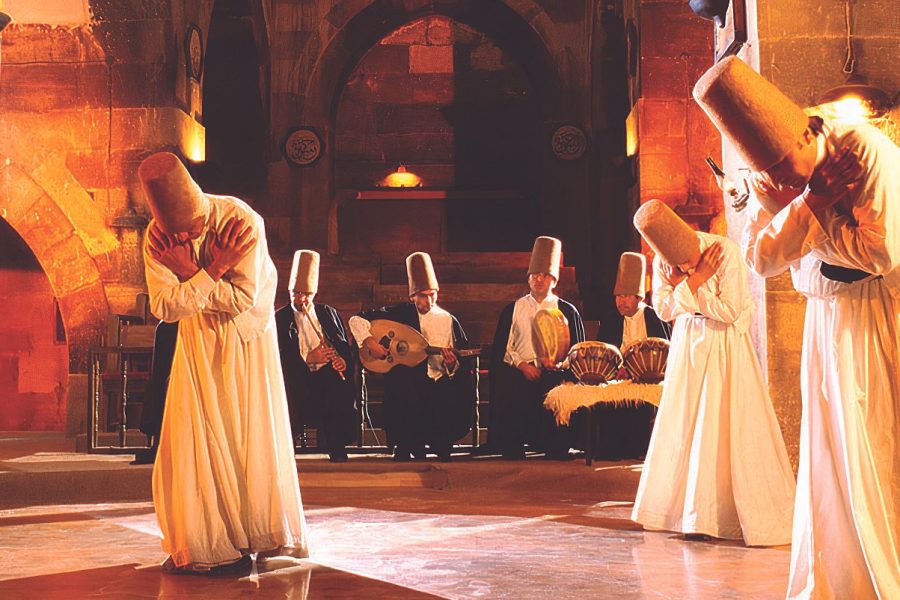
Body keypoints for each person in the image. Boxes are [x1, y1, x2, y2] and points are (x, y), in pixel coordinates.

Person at [693, 55, 900, 597]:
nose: (776, 182)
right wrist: (810, 202)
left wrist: (811, 214)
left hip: (876, 315)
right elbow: (761, 257)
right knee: (829, 460)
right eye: (769, 175)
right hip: (823, 318)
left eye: (784, 170)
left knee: (874, 449)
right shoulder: (778, 179)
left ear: (808, 135)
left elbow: (878, 253)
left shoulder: (865, 152)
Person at [140, 152, 308, 575]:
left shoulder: (239, 219)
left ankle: (250, 535)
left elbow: (242, 301)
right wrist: (211, 267)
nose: (183, 241)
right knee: (191, 437)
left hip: (245, 344)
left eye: (191, 232)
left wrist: (190, 274)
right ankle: (204, 540)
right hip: (196, 341)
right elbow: (165, 306)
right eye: (176, 236)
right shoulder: (157, 238)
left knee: (241, 434)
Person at [630, 199, 795, 546]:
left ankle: (723, 512)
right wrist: (691, 286)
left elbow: (731, 310)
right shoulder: (663, 261)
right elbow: (663, 309)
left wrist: (692, 286)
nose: (683, 268)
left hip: (723, 346)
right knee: (687, 421)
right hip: (688, 345)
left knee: (720, 421)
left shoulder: (724, 251)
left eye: (687, 263)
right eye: (677, 267)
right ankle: (688, 510)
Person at [349, 252, 476, 461]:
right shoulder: (401, 314)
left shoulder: (448, 320)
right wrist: (370, 342)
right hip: (410, 379)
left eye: (433, 294)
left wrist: (452, 365)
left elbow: (460, 359)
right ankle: (405, 445)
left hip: (438, 377)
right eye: (423, 295)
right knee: (403, 384)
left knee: (446, 393)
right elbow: (356, 320)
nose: (429, 300)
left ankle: (441, 445)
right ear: (412, 296)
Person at [488, 236, 586, 460]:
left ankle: (556, 446)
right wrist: (522, 365)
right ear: (528, 278)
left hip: (555, 371)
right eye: (535, 275)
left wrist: (558, 363)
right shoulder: (514, 309)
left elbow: (577, 351)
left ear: (554, 280)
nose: (539, 279)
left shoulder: (567, 311)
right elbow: (504, 348)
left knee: (559, 387)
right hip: (521, 370)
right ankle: (513, 446)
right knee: (510, 384)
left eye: (544, 275)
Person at [275, 249, 359, 462]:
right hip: (296, 378)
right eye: (295, 293)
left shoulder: (328, 313)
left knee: (337, 385)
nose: (299, 299)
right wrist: (308, 359)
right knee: (288, 388)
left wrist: (341, 361)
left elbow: (342, 345)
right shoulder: (280, 318)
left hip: (327, 376)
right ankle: (286, 449)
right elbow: (276, 357)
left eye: (305, 294)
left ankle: (336, 445)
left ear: (314, 293)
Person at [595, 251, 670, 460]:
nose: (621, 302)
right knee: (611, 394)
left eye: (626, 296)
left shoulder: (654, 317)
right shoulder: (611, 319)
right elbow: (605, 352)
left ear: (639, 297)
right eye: (618, 296)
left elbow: (665, 351)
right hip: (618, 377)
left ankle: (642, 449)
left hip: (649, 379)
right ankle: (612, 449)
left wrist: (639, 370)